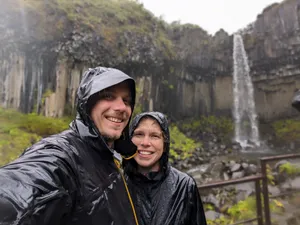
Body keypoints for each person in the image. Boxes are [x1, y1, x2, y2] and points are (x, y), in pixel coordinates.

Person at [0, 66, 140, 225]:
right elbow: (22, 188)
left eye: (126, 100)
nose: (121, 107)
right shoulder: (62, 154)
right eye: (108, 96)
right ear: (87, 104)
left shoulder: (115, 157)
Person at [123, 111, 207, 225]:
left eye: (155, 136)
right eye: (139, 134)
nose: (145, 142)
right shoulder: (118, 186)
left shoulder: (184, 186)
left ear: (164, 144)